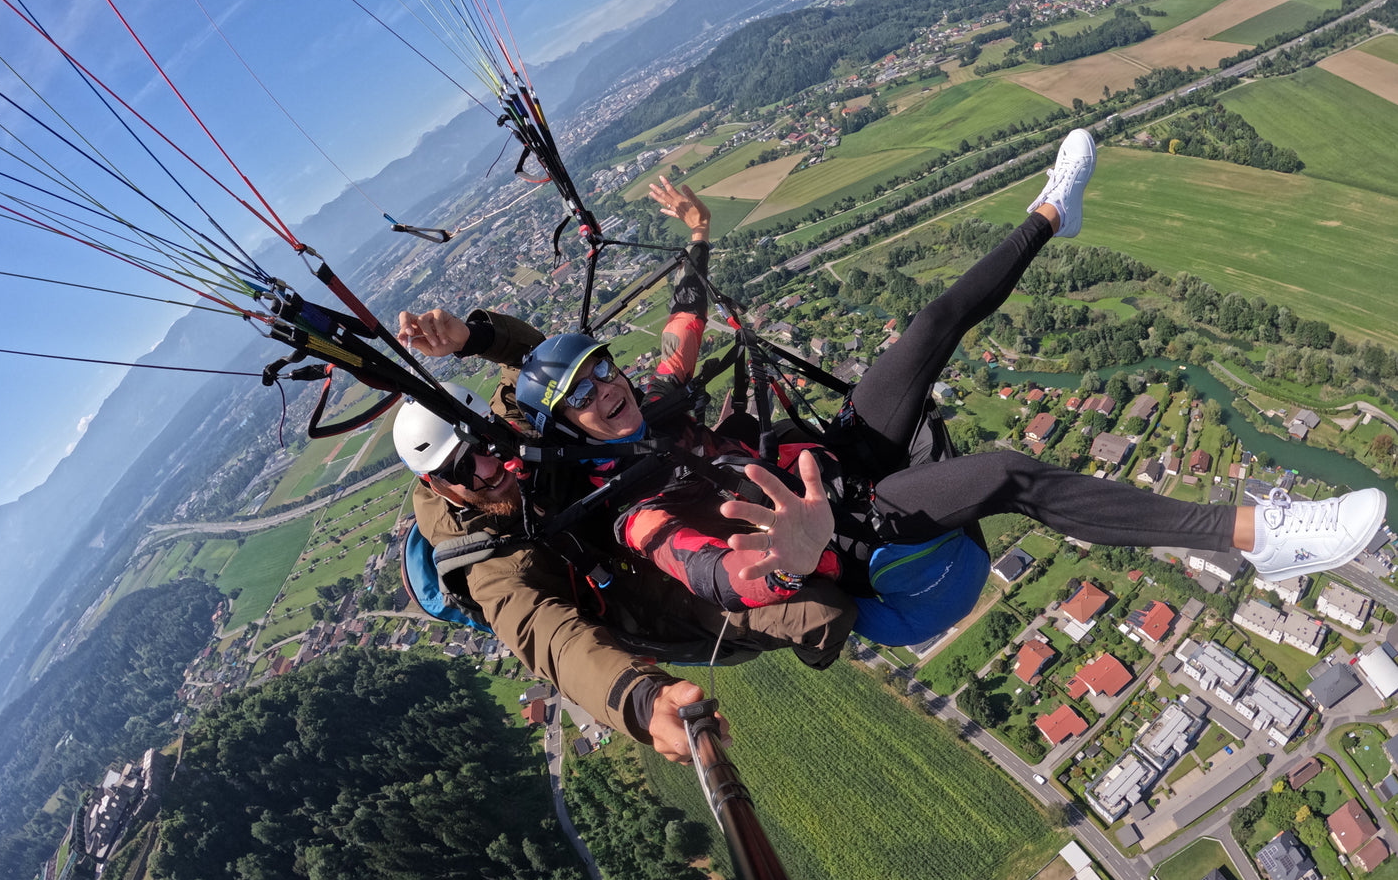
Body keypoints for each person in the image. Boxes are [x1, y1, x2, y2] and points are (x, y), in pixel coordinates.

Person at [512, 133, 1388, 644]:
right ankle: (1259, 535)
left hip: (833, 462)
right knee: (1005, 472)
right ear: (571, 426)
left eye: (602, 369)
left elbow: (683, 318)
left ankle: (1050, 212)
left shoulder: (657, 392)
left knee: (927, 330)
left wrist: (698, 234)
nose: (607, 389)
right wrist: (787, 556)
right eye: (584, 395)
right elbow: (705, 571)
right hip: (847, 537)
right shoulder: (628, 507)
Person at [390, 380, 856, 764]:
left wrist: (477, 335)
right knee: (822, 615)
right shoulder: (489, 570)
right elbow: (555, 641)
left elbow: (543, 370)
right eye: (464, 469)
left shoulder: (511, 429)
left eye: (484, 444)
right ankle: (825, 642)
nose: (491, 468)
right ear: (437, 483)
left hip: (648, 507)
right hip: (648, 600)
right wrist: (643, 702)